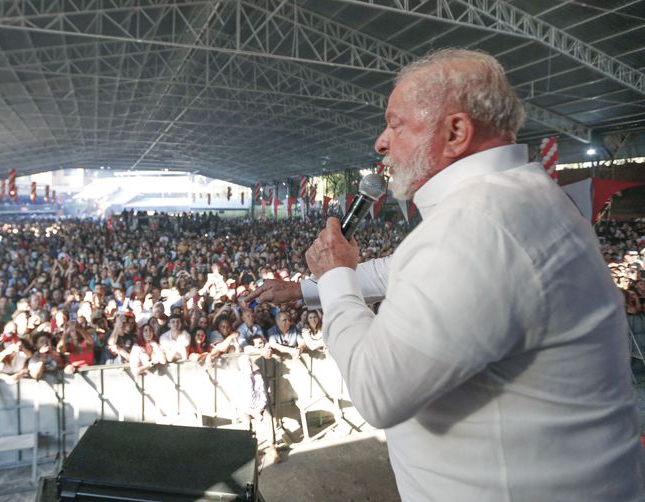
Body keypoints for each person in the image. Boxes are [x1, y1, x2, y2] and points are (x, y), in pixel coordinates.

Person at [246, 48, 645, 500]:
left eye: (395, 124)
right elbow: (398, 271)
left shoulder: (477, 225)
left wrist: (337, 277)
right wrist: (306, 288)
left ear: (455, 132)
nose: (381, 142)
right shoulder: (516, 201)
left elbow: (377, 390)